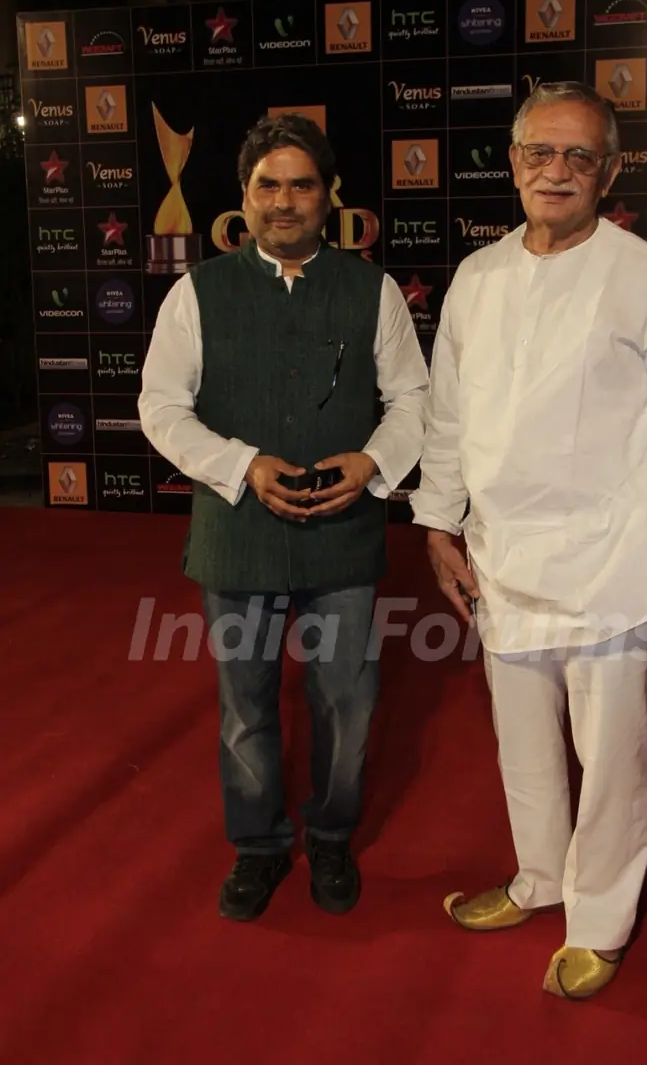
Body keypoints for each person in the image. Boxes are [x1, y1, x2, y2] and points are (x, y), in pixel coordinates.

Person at [410, 81, 647, 998]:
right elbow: (449, 416)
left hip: (609, 559)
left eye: (578, 157)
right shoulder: (478, 278)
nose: (557, 171)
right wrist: (438, 520)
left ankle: (601, 919)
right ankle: (540, 878)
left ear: (610, 171)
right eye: (540, 153)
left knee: (613, 756)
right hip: (504, 553)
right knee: (522, 740)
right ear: (513, 163)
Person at [139, 112, 428, 921]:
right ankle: (259, 849)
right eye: (268, 185)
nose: (285, 200)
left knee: (348, 701)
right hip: (238, 537)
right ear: (244, 197)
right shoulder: (196, 293)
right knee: (245, 705)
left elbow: (413, 398)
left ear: (329, 196)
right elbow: (161, 409)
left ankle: (331, 840)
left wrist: (374, 463)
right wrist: (243, 465)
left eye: (302, 184)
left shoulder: (371, 290)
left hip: (343, 533)